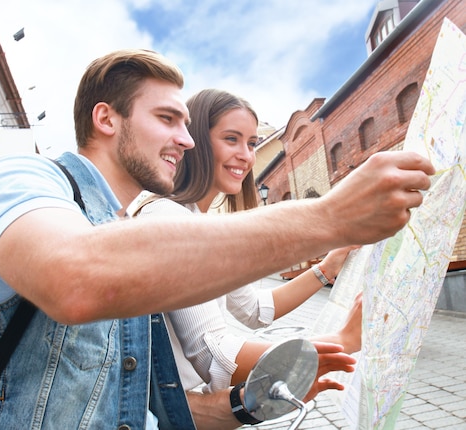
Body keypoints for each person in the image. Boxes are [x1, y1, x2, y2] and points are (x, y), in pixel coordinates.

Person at [0, 49, 434, 429]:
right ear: (106, 118)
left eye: (187, 124)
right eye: (167, 119)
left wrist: (251, 403)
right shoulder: (15, 179)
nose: (186, 140)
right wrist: (331, 218)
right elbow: (75, 277)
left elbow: (153, 406)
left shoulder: (126, 239)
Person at [127, 88, 362, 395]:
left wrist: (327, 267)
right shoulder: (169, 219)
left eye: (251, 143)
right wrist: (342, 342)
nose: (247, 155)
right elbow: (217, 359)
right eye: (231, 139)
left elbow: (255, 310)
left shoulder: (196, 221)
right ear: (195, 141)